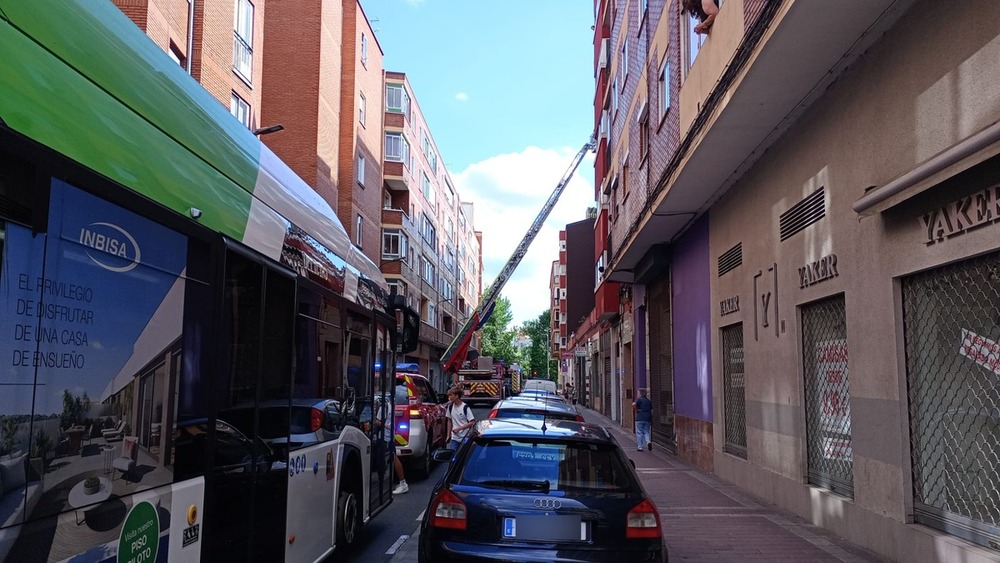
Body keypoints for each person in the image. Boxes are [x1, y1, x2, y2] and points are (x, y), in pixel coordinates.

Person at [445, 386, 475, 450]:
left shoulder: (465, 407)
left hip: (465, 437)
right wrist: (448, 435)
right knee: (453, 456)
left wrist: (459, 428)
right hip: (454, 438)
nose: (449, 397)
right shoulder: (450, 407)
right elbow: (449, 421)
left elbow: (472, 422)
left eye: (451, 395)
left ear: (457, 396)